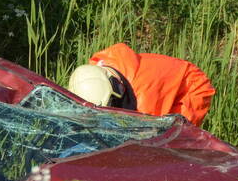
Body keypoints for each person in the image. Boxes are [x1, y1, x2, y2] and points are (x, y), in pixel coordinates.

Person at [67, 43, 216, 126]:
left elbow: (145, 132)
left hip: (193, 86)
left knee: (170, 135)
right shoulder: (94, 72)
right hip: (157, 81)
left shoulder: (143, 99)